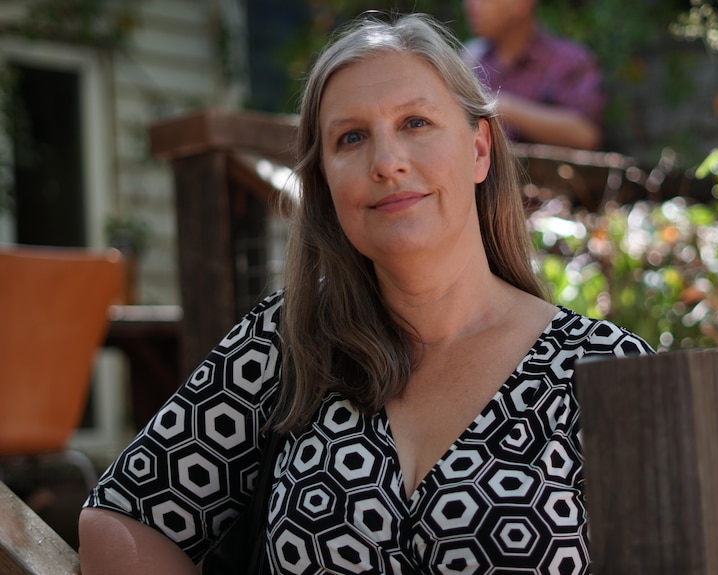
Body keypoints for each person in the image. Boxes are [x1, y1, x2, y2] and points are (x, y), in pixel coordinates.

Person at [78, 12, 652, 574]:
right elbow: (123, 518)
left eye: (415, 123)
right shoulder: (287, 341)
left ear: (479, 150)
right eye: (352, 138)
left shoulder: (605, 370)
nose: (387, 163)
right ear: (325, 182)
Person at [463, 0, 604, 150]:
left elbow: (585, 135)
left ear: (522, 4)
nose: (472, 6)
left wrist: (504, 108)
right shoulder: (471, 59)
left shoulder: (568, 61)